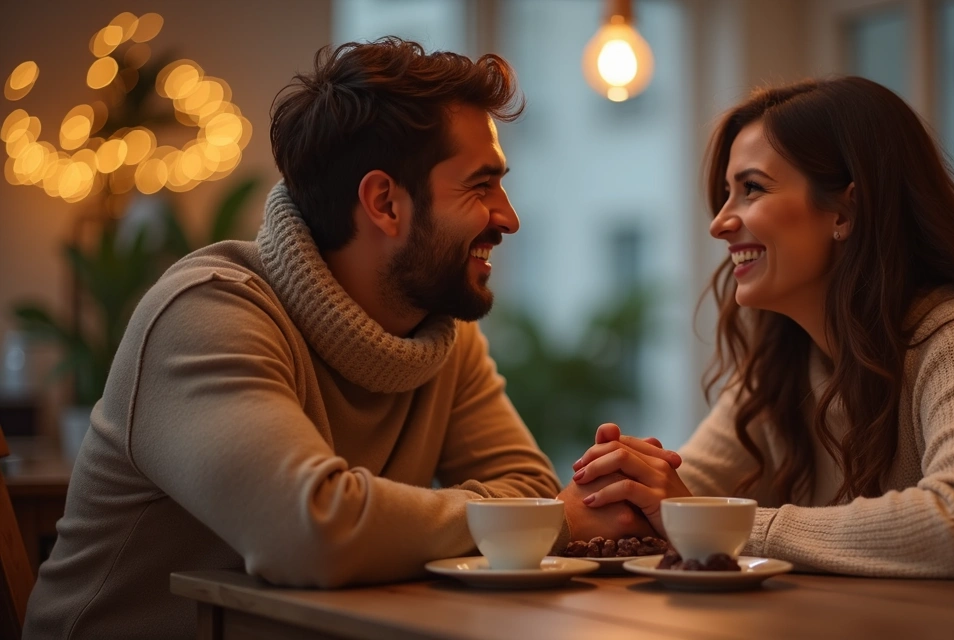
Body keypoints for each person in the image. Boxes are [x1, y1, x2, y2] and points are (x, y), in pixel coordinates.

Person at [24, 38, 615, 639]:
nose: (509, 216)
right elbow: (310, 533)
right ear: (384, 202)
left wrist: (389, 519)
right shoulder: (206, 313)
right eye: (480, 186)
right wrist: (541, 519)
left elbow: (530, 490)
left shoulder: (442, 337)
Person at [561, 77, 954, 585]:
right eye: (725, 194)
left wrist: (723, 524)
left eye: (752, 189)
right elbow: (684, 490)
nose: (720, 222)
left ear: (845, 211)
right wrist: (626, 482)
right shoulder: (782, 364)